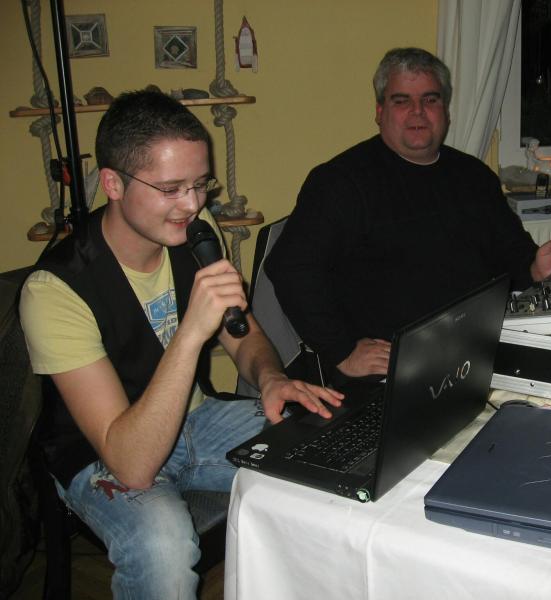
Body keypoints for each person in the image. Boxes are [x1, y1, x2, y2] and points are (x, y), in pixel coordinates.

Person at [19, 90, 342, 599]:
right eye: (170, 189)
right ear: (113, 184)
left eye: (199, 184)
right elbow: (131, 464)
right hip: (102, 451)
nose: (192, 205)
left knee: (327, 446)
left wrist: (270, 378)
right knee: (163, 546)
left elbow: (241, 331)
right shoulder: (54, 291)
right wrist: (191, 331)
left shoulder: (193, 231)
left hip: (196, 419)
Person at [266, 47, 551, 381]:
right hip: (395, 370)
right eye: (401, 101)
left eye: (430, 99)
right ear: (379, 111)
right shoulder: (341, 182)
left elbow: (509, 251)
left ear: (445, 112)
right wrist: (342, 351)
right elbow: (289, 266)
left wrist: (535, 267)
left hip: (477, 353)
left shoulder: (474, 177)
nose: (418, 112)